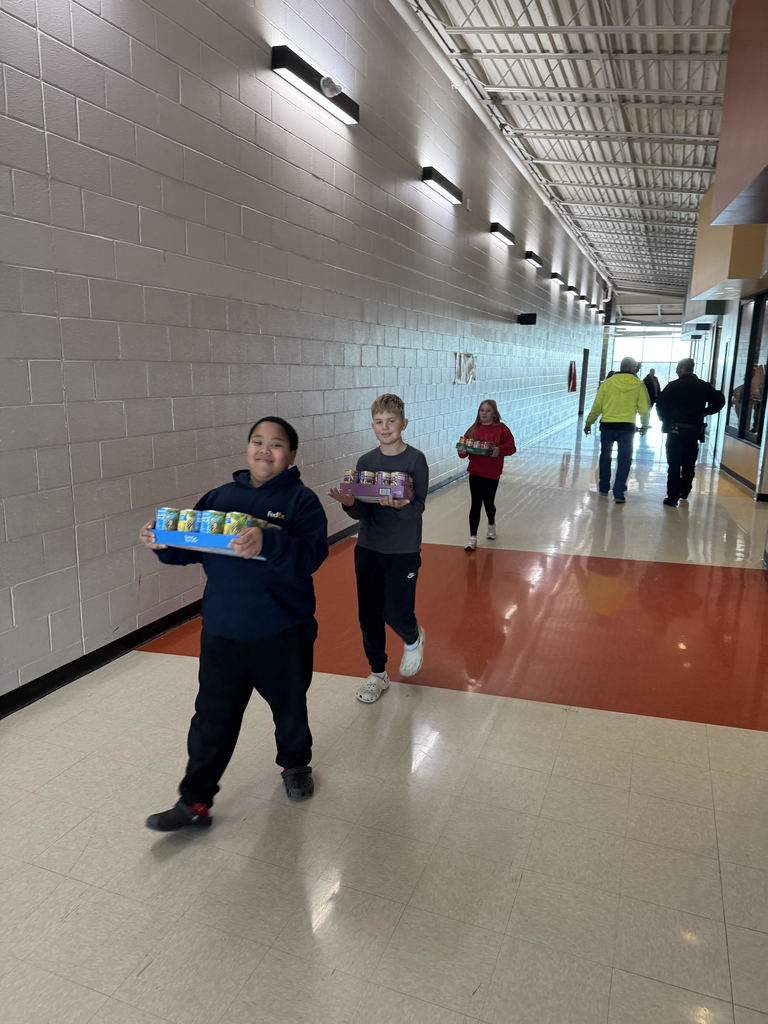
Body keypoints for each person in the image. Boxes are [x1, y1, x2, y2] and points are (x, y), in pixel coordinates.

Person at [139, 416, 328, 830]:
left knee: (289, 708)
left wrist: (270, 540)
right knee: (211, 719)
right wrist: (163, 542)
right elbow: (192, 547)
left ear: (291, 455)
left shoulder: (302, 502)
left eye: (276, 444)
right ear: (246, 449)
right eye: (257, 441)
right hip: (222, 632)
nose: (265, 449)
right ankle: (195, 802)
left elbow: (312, 556)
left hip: (281, 632)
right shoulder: (219, 496)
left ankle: (295, 764)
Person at [328, 393, 428, 703]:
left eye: (391, 421)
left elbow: (419, 507)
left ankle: (412, 637)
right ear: (372, 426)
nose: (385, 427)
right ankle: (377, 674)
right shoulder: (366, 462)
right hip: (369, 547)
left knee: (396, 612)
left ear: (404, 423)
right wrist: (349, 504)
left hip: (403, 550)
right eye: (379, 422)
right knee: (369, 614)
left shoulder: (415, 460)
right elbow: (362, 512)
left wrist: (401, 505)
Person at [656, 358, 725, 508]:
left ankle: (672, 497)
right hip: (694, 430)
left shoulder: (673, 386)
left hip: (675, 430)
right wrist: (705, 412)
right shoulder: (703, 386)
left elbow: (660, 405)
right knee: (689, 462)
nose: (675, 371)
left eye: (677, 368)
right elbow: (720, 400)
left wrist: (666, 421)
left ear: (682, 368)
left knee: (674, 463)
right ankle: (685, 491)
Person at [584, 356, 650, 503]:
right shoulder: (639, 385)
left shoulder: (607, 383)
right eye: (635, 366)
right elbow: (645, 409)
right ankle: (619, 492)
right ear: (632, 367)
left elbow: (597, 407)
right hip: (626, 428)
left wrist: (589, 423)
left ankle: (603, 487)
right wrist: (645, 425)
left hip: (607, 426)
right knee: (624, 459)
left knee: (605, 456)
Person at [457, 399, 516, 550]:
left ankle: (491, 523)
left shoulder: (502, 429)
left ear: (495, 413)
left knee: (488, 503)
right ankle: (472, 538)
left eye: (488, 411)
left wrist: (500, 450)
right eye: (482, 410)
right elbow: (464, 450)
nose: (484, 413)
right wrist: (462, 451)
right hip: (475, 471)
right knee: (475, 504)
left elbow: (511, 447)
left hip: (492, 473)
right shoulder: (473, 430)